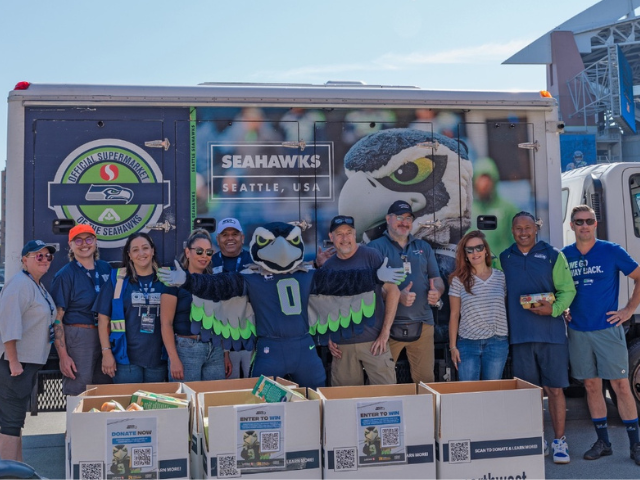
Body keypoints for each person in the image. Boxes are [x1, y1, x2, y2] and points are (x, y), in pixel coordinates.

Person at [562, 205, 640, 465]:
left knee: (620, 386)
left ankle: (636, 444)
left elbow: (639, 276)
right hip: (578, 332)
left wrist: (628, 310)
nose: (584, 225)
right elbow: (560, 291)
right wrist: (564, 310)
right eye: (579, 221)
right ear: (571, 226)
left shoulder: (611, 250)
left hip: (608, 331)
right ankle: (603, 442)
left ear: (596, 224)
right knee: (592, 386)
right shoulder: (565, 256)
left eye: (589, 221)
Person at [499, 211, 576, 464]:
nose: (523, 232)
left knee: (554, 389)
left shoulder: (554, 255)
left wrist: (554, 309)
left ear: (536, 229)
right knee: (530, 394)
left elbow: (567, 290)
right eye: (518, 228)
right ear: (512, 231)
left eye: (528, 228)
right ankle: (537, 438)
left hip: (551, 335)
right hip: (520, 337)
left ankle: (559, 441)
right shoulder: (504, 258)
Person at [318, 215, 400, 386]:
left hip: (374, 343)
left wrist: (385, 333)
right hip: (342, 347)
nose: (345, 238)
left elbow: (393, 292)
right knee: (345, 402)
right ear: (331, 237)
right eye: (339, 234)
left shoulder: (371, 256)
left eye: (349, 232)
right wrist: (329, 335)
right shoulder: (328, 267)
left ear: (355, 234)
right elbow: (326, 305)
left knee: (387, 400)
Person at [368, 200, 444, 383]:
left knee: (425, 383)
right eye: (399, 217)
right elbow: (367, 288)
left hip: (423, 324)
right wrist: (396, 296)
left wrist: (438, 292)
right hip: (385, 328)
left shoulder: (423, 247)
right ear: (388, 219)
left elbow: (437, 278)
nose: (404, 222)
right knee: (383, 382)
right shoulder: (374, 248)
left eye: (408, 218)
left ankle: (424, 412)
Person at [0, 240, 56, 461]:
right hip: (15, 366)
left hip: (26, 364)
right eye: (37, 256)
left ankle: (18, 471)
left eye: (47, 256)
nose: (44, 260)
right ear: (24, 260)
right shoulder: (19, 285)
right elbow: (8, 325)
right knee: (10, 424)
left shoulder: (35, 284)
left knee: (15, 422)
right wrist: (14, 362)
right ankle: (7, 474)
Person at [95, 232, 168, 383]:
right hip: (125, 361)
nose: (141, 253)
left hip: (159, 360)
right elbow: (103, 320)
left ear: (153, 250)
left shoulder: (167, 279)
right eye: (135, 250)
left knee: (156, 406)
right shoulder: (117, 279)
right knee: (128, 406)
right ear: (129, 254)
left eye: (145, 248)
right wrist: (106, 352)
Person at [160, 229, 231, 381]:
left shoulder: (215, 281)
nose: (204, 256)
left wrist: (226, 353)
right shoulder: (174, 281)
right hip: (187, 348)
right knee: (187, 401)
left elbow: (221, 320)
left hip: (215, 348)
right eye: (199, 251)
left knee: (213, 401)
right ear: (187, 252)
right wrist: (174, 359)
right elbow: (166, 324)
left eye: (208, 252)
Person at [50, 225, 112, 396]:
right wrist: (63, 355)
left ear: (95, 242)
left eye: (89, 239)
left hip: (106, 335)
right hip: (79, 335)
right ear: (70, 245)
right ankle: (75, 423)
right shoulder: (65, 275)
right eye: (78, 240)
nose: (84, 244)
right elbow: (57, 318)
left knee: (105, 389)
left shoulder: (105, 268)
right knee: (79, 390)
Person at [448, 230, 508, 381]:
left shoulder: (501, 277)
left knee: (492, 393)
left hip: (497, 343)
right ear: (465, 255)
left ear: (486, 250)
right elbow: (454, 315)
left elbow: (506, 309)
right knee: (469, 394)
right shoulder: (458, 280)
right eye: (469, 250)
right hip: (468, 344)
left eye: (479, 248)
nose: (475, 252)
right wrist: (453, 347)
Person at [212, 218, 253, 378]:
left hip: (250, 336)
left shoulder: (254, 260)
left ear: (242, 237)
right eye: (225, 234)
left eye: (234, 234)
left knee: (254, 384)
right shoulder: (210, 262)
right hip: (224, 340)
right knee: (230, 386)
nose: (230, 238)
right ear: (218, 239)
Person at [471, 157, 520, 257]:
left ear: (495, 180)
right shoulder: (467, 210)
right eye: (480, 179)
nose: (484, 184)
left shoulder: (508, 209)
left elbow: (520, 243)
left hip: (502, 268)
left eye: (488, 179)